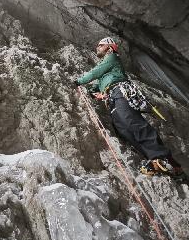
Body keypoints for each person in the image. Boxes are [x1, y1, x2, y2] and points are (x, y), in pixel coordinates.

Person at [75, 37, 181, 176]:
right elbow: (99, 84)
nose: (97, 47)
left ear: (110, 47)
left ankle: (163, 157)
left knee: (132, 122)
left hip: (120, 93)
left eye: (100, 45)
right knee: (124, 130)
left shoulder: (112, 58)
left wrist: (79, 81)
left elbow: (96, 72)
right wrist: (90, 91)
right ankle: (154, 161)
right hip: (112, 98)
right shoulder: (108, 70)